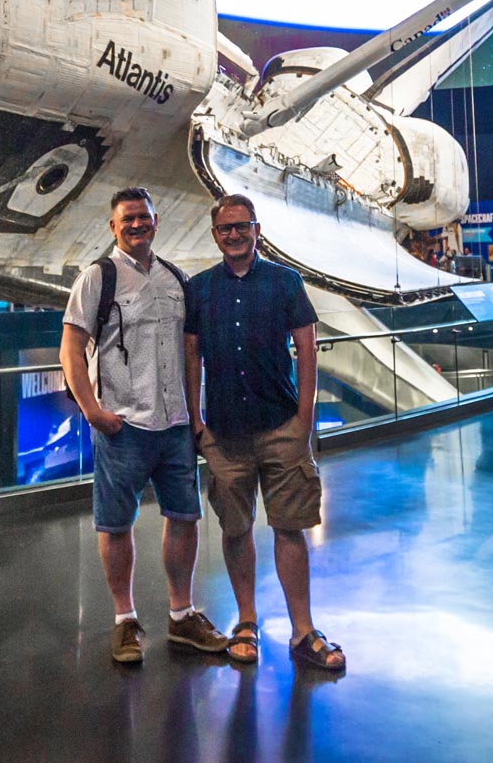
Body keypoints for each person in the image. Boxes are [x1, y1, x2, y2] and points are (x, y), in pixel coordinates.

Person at [60, 188, 229, 665]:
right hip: (123, 426)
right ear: (113, 227)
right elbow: (71, 349)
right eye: (127, 219)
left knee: (185, 518)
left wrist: (195, 416)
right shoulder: (99, 277)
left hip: (173, 423)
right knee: (116, 524)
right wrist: (91, 410)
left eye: (144, 218)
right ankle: (124, 620)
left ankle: (182, 616)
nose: (136, 225)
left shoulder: (176, 279)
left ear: (156, 223)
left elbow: (190, 350)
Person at [184, 193, 345, 674]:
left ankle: (302, 630)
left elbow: (307, 346)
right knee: (235, 529)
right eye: (225, 229)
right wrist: (197, 423)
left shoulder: (285, 281)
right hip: (225, 434)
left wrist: (304, 418)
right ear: (215, 235)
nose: (233, 235)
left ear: (257, 229)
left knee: (288, 526)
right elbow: (191, 356)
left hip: (280, 427)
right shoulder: (201, 288)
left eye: (241, 226)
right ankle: (247, 623)